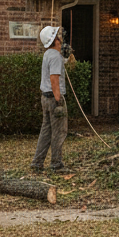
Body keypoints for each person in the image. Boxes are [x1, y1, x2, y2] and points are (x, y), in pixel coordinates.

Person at [31, 25, 68, 173]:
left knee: (46, 130)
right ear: (55, 40)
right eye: (58, 37)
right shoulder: (55, 57)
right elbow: (54, 79)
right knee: (59, 131)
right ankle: (56, 164)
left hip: (45, 98)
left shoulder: (48, 54)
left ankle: (37, 162)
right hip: (54, 98)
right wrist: (59, 100)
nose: (60, 39)